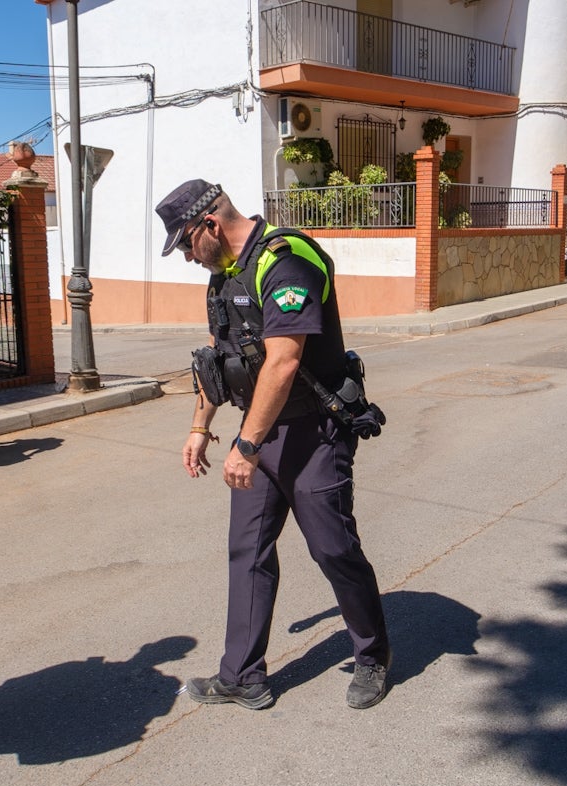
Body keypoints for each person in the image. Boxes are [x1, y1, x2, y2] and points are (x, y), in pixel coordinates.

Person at [155, 179, 391, 710]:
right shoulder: (222, 277)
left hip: (311, 433)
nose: (188, 259)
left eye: (187, 244)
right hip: (256, 434)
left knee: (333, 548)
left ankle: (373, 655)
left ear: (210, 226)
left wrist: (245, 444)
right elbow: (215, 364)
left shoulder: (287, 260)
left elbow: (284, 360)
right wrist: (200, 426)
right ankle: (241, 675)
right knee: (248, 551)